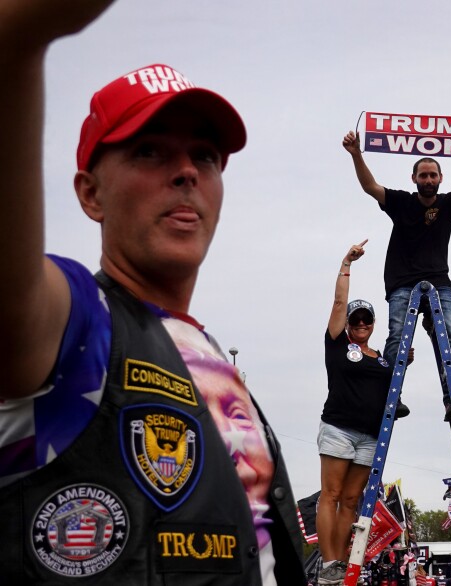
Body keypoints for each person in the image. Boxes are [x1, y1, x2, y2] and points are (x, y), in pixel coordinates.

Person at [0, 1, 307, 583]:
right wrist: (19, 40)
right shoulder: (76, 321)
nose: (187, 171)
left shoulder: (211, 355)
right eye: (150, 150)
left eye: (206, 157)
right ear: (90, 195)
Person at [341, 129, 451, 417]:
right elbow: (370, 186)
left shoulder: (447, 204)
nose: (428, 180)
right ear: (414, 179)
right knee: (398, 337)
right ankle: (391, 397)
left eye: (433, 175)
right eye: (423, 175)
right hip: (401, 283)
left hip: (439, 282)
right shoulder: (401, 202)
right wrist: (356, 154)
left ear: (440, 178)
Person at [317, 241, 394, 585]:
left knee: (351, 499)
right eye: (355, 318)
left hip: (371, 436)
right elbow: (338, 303)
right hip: (338, 428)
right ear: (348, 323)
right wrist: (346, 263)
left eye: (366, 319)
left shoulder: (381, 357)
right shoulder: (337, 342)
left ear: (373, 323)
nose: (360, 323)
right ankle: (329, 563)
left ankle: (344, 563)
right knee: (331, 495)